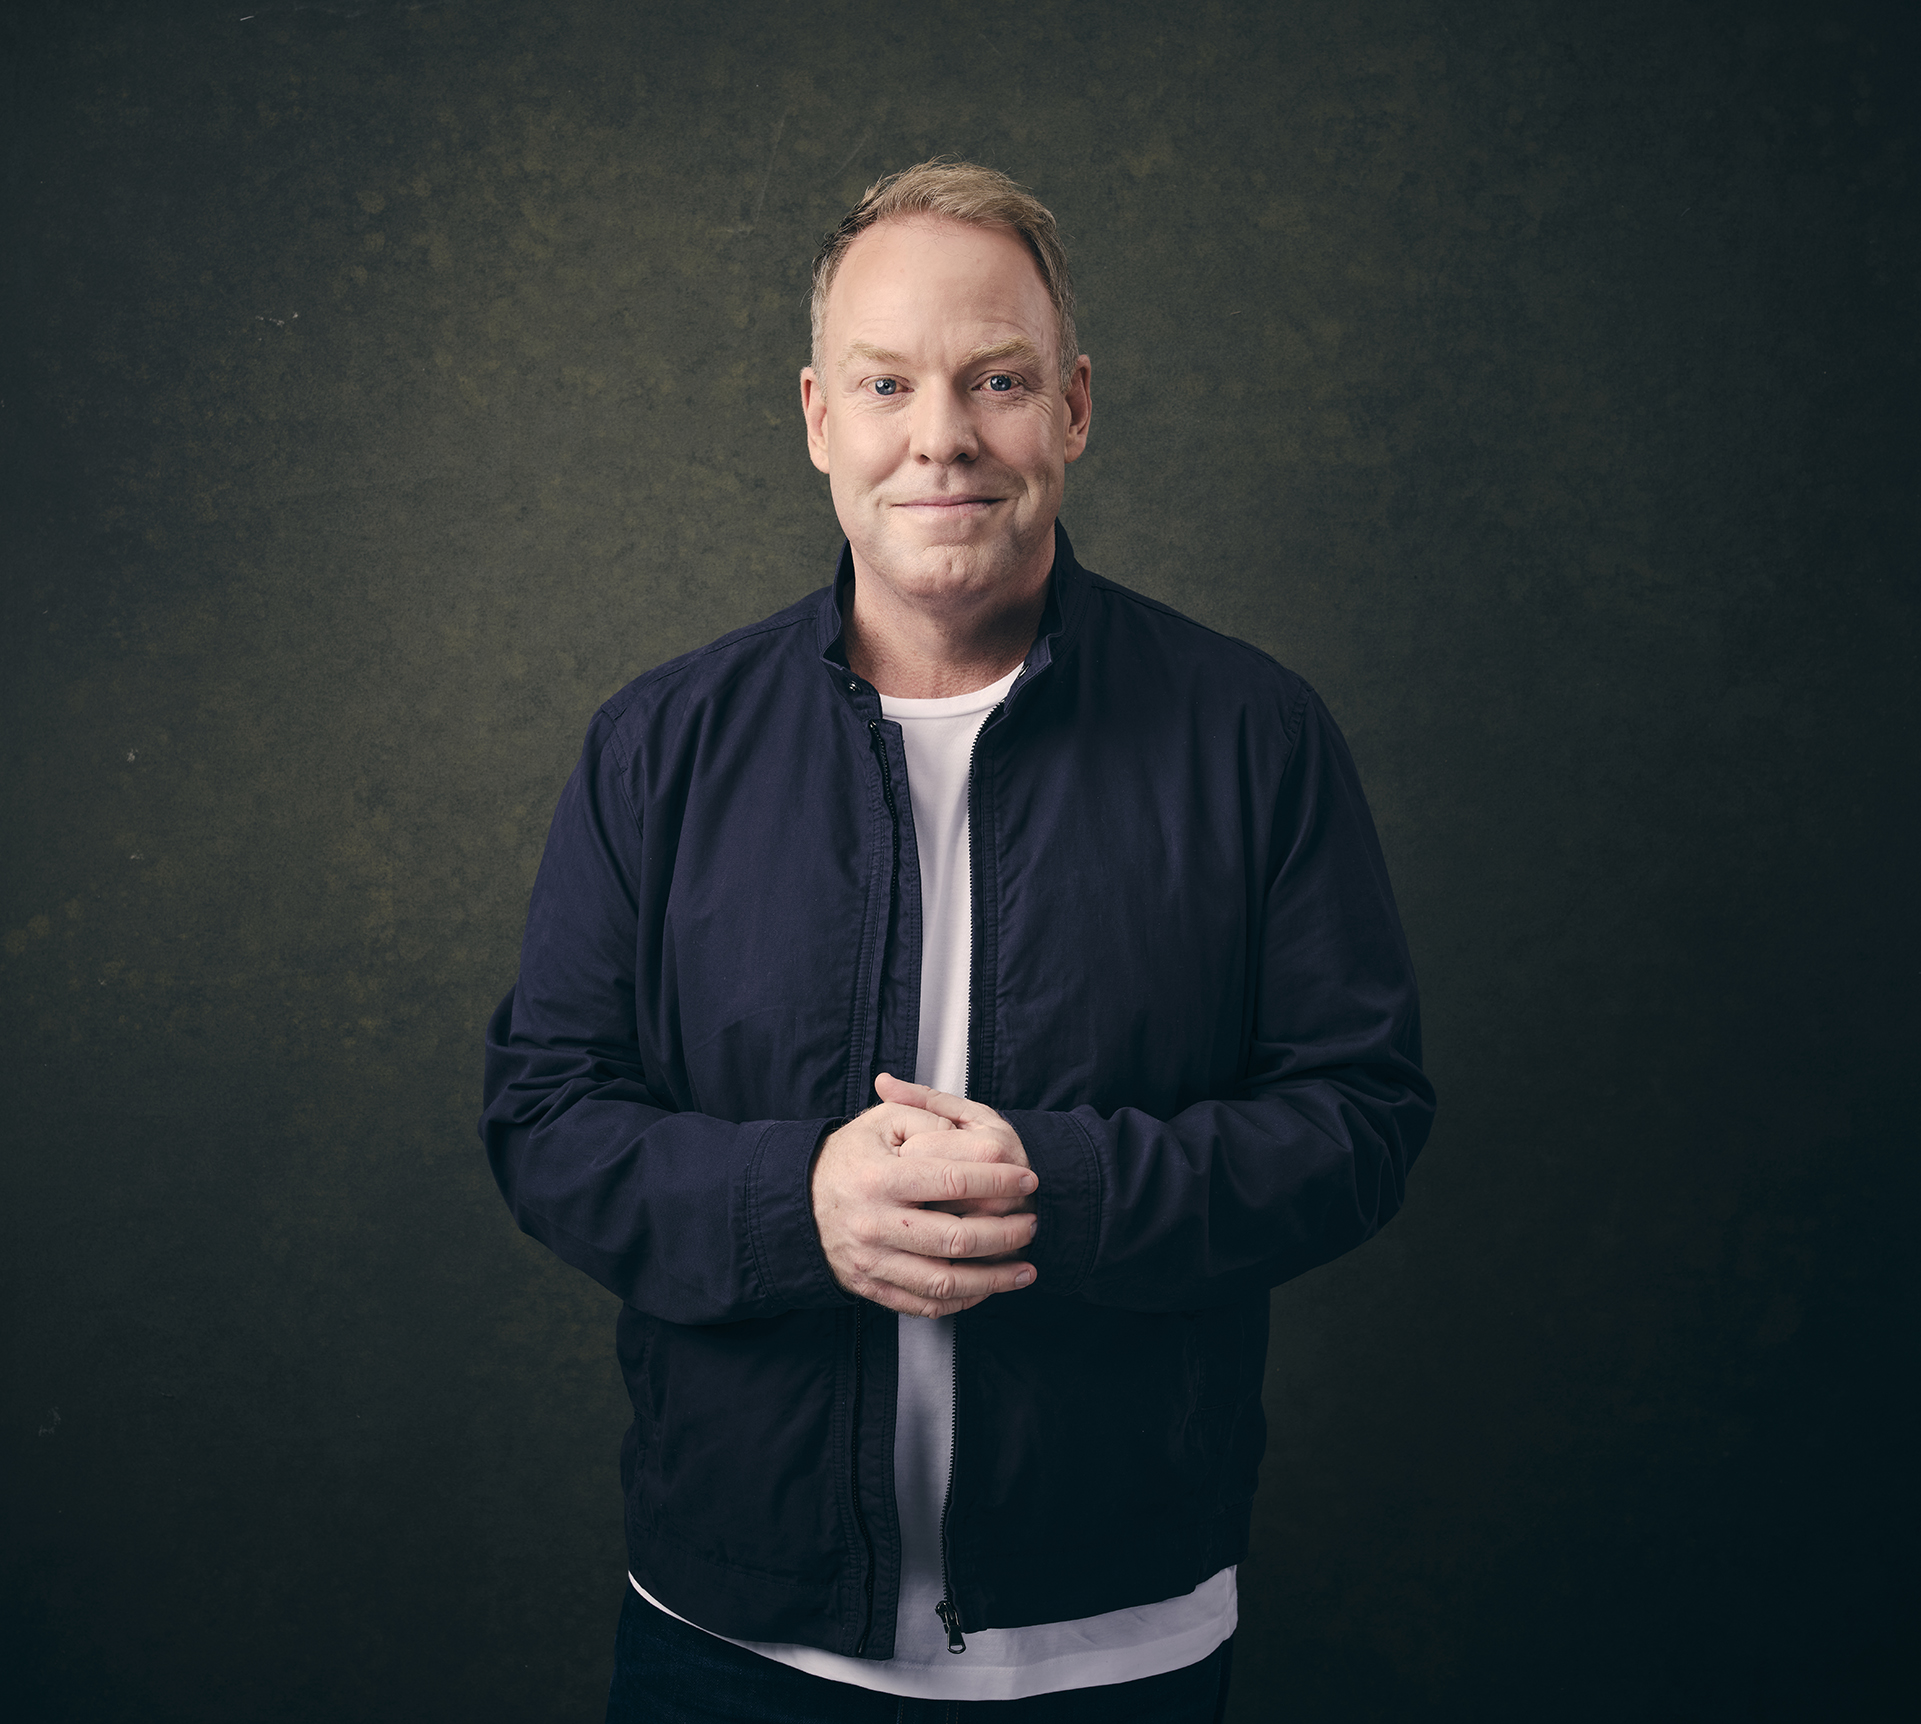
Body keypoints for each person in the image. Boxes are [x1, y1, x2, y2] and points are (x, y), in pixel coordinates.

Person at [480, 158, 1434, 1723]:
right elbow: (544, 1119)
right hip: (733, 1641)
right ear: (818, 419)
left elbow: (1360, 1116)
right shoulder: (659, 746)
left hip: (1121, 1641)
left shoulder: (1252, 735)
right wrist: (797, 1204)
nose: (941, 436)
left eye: (996, 379)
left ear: (1072, 408)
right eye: (886, 383)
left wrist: (1066, 1188)